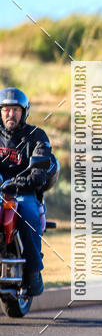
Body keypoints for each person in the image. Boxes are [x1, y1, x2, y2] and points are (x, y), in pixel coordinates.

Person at [0, 87, 59, 296]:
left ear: (23, 112)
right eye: (6, 109)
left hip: (22, 192)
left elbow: (40, 170)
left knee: (25, 213)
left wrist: (24, 180)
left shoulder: (36, 136)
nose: (10, 114)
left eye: (15, 110)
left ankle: (33, 272)